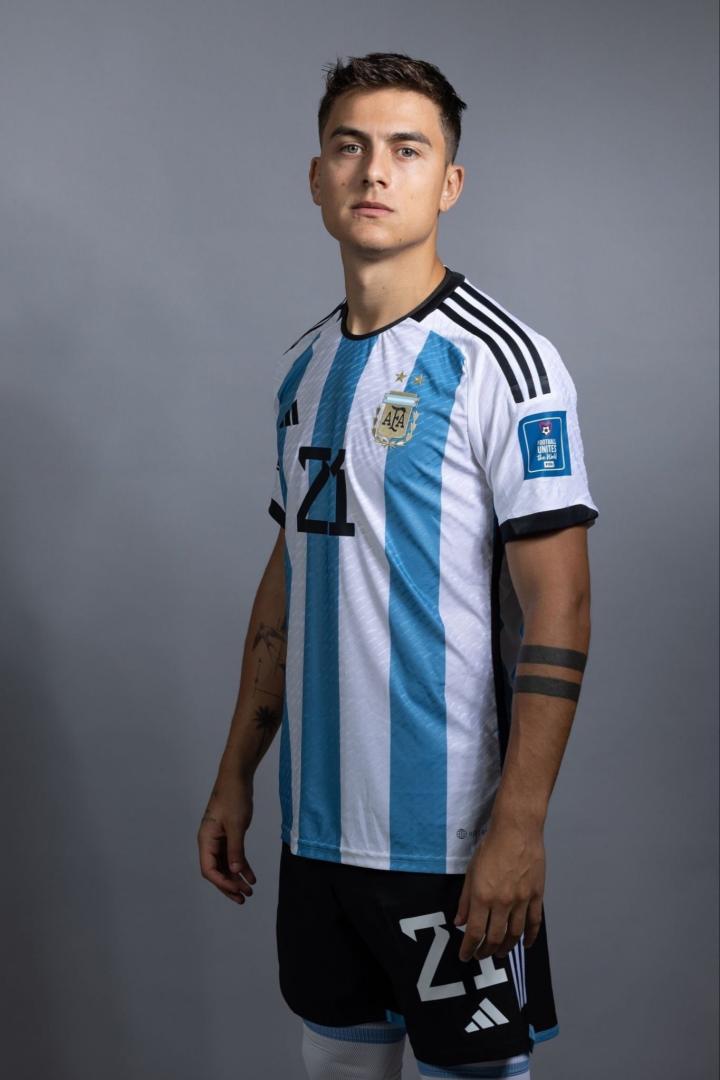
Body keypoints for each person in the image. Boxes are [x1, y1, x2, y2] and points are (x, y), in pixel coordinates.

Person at [198, 52, 599, 1080]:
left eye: (407, 150)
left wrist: (519, 828)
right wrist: (236, 773)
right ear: (317, 176)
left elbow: (559, 609)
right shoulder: (303, 367)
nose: (375, 170)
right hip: (315, 833)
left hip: (450, 843)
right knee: (332, 1064)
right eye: (351, 146)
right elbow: (292, 569)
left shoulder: (504, 362)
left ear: (448, 182)